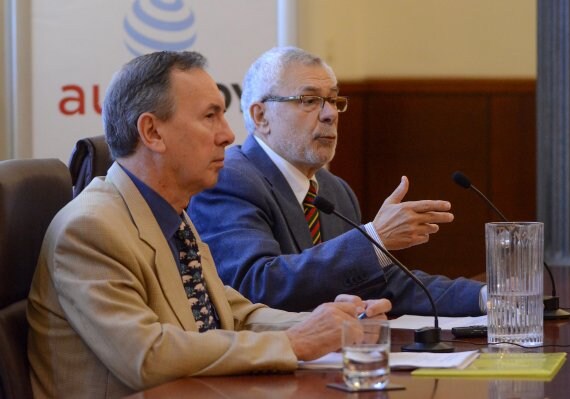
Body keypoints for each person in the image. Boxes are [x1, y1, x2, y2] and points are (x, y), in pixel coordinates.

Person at [26, 51, 391, 399]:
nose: (228, 135)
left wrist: (328, 323)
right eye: (210, 116)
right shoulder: (90, 229)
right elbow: (147, 356)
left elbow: (230, 313)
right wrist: (293, 343)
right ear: (152, 132)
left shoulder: (170, 213)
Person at [189, 46, 487, 316]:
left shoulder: (334, 190)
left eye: (333, 100)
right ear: (261, 116)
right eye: (310, 100)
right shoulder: (230, 177)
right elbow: (255, 284)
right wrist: (375, 240)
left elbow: (382, 284)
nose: (330, 114)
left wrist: (487, 298)